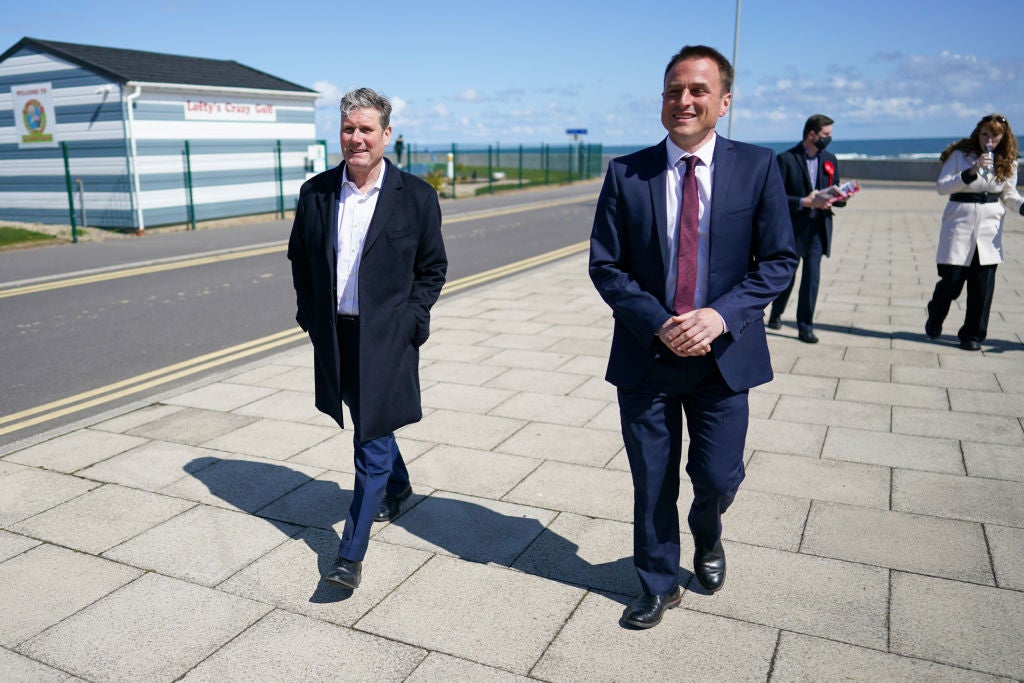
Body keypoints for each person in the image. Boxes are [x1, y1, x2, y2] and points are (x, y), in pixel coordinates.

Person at [589, 45, 796, 629]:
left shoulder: (758, 167)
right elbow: (606, 266)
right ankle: (657, 581)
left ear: (723, 102)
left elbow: (779, 261)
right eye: (674, 90)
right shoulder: (627, 173)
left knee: (715, 475)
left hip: (724, 358)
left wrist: (719, 316)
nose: (684, 100)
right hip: (648, 355)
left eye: (698, 90)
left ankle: (709, 533)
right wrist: (661, 322)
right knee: (652, 478)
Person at [288, 88, 447, 590]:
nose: (356, 138)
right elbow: (300, 259)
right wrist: (312, 318)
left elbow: (432, 269)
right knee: (368, 423)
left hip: (387, 341)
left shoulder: (417, 197)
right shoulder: (315, 192)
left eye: (366, 130)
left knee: (369, 445)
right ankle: (399, 487)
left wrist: (412, 322)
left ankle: (348, 556)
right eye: (348, 129)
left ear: (387, 135)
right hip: (337, 338)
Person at [926, 113, 1024, 351]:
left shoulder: (1008, 162)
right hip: (959, 223)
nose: (989, 140)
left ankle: (973, 335)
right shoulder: (960, 156)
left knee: (982, 286)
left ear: (1003, 137)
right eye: (985, 134)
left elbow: (1008, 195)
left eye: (995, 135)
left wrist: (1022, 207)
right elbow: (942, 186)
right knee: (951, 281)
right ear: (978, 134)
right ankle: (936, 313)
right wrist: (971, 172)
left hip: (990, 228)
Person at [767, 114, 846, 343]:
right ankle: (776, 312)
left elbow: (835, 191)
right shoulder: (786, 159)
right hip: (792, 229)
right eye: (826, 135)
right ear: (811, 134)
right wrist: (805, 201)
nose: (829, 139)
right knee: (786, 278)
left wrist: (841, 196)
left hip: (818, 230)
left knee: (811, 279)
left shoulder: (830, 158)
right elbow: (776, 198)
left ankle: (805, 326)